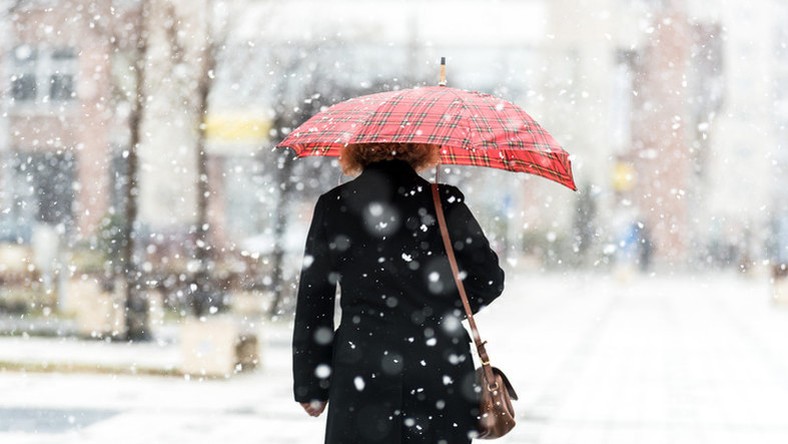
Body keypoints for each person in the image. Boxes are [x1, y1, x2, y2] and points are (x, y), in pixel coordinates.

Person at [292, 143, 505, 443]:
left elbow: (315, 300)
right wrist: (439, 310)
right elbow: (490, 280)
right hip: (438, 364)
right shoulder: (443, 201)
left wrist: (311, 386)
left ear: (355, 150)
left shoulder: (334, 205)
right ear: (421, 149)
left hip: (361, 365)